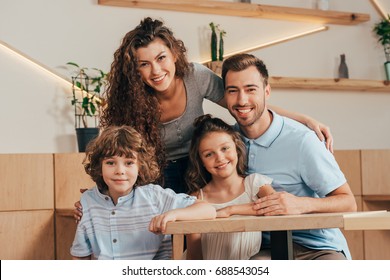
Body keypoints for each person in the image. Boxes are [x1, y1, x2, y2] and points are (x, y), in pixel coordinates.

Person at [99, 16, 333, 194]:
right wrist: (99, 193)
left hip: (200, 166)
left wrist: (304, 119)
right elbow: (116, 149)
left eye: (161, 58)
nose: (156, 71)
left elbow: (243, 103)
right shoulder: (130, 98)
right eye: (144, 64)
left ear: (174, 55)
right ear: (135, 70)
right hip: (155, 174)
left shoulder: (195, 76)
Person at [221, 53, 357, 260]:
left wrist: (301, 204)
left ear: (267, 92)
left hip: (318, 249)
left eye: (251, 90)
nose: (242, 100)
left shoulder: (303, 140)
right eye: (233, 91)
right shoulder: (226, 144)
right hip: (261, 250)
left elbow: (348, 202)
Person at [70, 125, 216, 260]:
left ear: (140, 166)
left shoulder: (154, 196)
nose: (120, 171)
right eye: (110, 162)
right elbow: (80, 257)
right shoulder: (88, 201)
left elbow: (208, 210)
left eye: (129, 163)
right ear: (99, 166)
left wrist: (173, 214)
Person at [185, 114, 276, 260]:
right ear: (200, 161)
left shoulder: (255, 184)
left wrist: (230, 210)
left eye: (225, 148)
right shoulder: (195, 199)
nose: (220, 158)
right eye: (209, 154)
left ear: (237, 148)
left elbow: (277, 207)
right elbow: (194, 255)